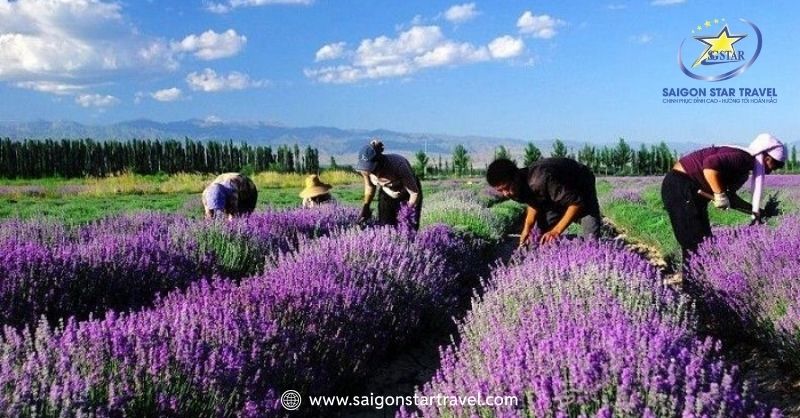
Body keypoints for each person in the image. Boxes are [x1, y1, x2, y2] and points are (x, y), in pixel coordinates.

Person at [661, 133, 786, 262]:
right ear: (766, 157)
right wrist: (719, 194)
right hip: (681, 185)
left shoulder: (743, 172)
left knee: (704, 243)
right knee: (694, 244)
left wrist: (756, 211)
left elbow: (731, 198)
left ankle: (698, 279)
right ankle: (693, 281)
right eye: (776, 164)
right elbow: (709, 167)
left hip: (691, 192)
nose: (774, 170)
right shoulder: (743, 158)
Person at [486, 157, 602, 247]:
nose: (505, 193)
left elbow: (576, 203)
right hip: (556, 194)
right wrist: (527, 227)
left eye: (506, 188)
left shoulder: (540, 180)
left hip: (580, 184)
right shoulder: (515, 188)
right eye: (500, 190)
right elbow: (533, 201)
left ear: (516, 177)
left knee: (591, 242)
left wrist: (556, 231)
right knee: (537, 238)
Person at [355, 139, 423, 230]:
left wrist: (406, 213)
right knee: (385, 227)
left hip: (408, 193)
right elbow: (370, 186)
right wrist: (366, 207)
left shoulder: (398, 164)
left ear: (379, 162)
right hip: (388, 194)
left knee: (409, 227)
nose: (370, 172)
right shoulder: (366, 170)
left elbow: (414, 193)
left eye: (372, 169)